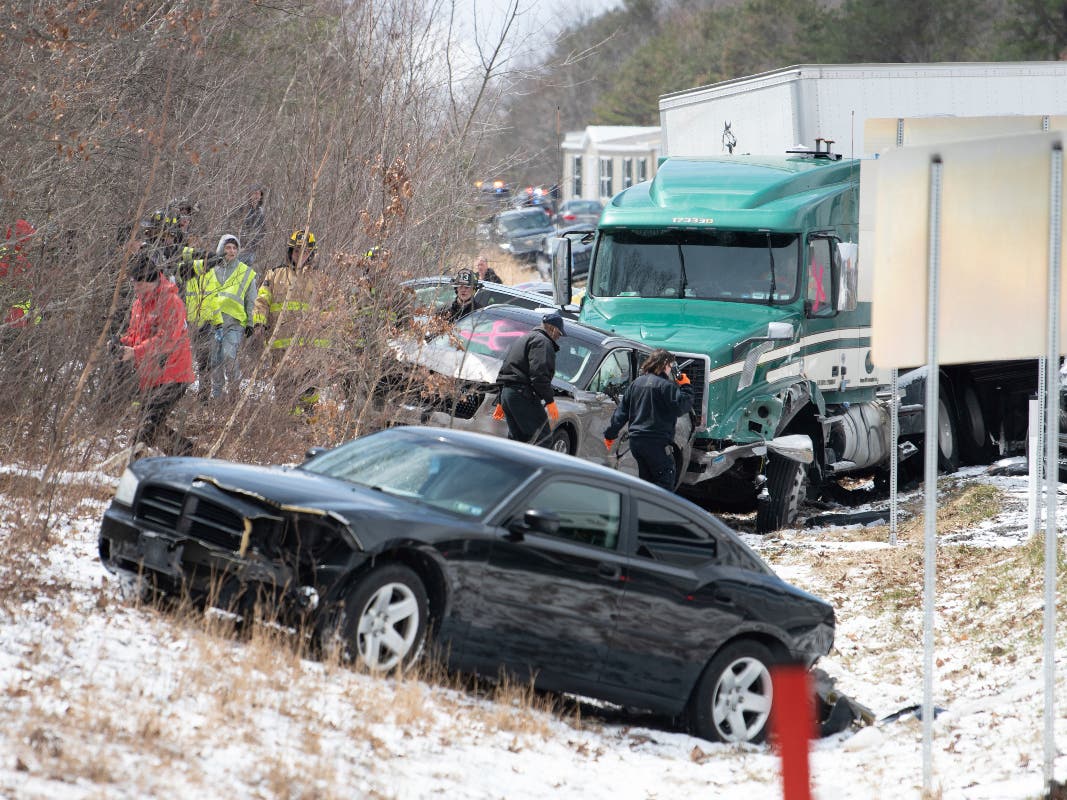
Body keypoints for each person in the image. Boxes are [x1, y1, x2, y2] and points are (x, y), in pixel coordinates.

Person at [116, 253, 195, 455]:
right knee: (150, 424)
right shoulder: (138, 305)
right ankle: (185, 451)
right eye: (134, 283)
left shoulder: (172, 302)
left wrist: (135, 352)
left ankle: (138, 469)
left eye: (139, 284)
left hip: (174, 373)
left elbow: (167, 339)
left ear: (151, 281)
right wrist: (120, 344)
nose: (135, 288)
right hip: (150, 375)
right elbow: (135, 335)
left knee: (147, 427)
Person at [252, 228, 329, 415]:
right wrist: (259, 324)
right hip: (281, 348)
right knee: (285, 393)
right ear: (290, 252)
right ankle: (287, 426)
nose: (300, 256)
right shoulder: (275, 275)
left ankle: (308, 423)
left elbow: (329, 310)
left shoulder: (321, 279)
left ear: (312, 254)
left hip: (310, 349)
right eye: (296, 251)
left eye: (306, 252)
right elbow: (262, 301)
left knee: (309, 391)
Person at [603, 348, 694, 491]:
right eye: (671, 366)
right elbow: (681, 407)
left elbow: (621, 413)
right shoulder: (666, 386)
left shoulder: (636, 383)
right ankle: (655, 512)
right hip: (656, 443)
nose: (671, 370)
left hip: (636, 443)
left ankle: (642, 510)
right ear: (665, 364)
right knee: (665, 481)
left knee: (646, 483)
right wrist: (686, 386)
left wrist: (610, 434)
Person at [493, 311, 564, 447]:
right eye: (559, 334)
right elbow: (539, 375)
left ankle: (510, 467)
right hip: (522, 395)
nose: (558, 338)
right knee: (543, 440)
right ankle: (535, 468)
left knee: (517, 441)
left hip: (509, 394)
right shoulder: (543, 342)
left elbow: (506, 370)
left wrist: (501, 400)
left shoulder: (525, 338)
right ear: (553, 328)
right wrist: (550, 401)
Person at [206, 234, 258, 401]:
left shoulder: (246, 272)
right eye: (228, 247)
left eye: (235, 248)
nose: (232, 251)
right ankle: (217, 397)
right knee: (215, 360)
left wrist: (251, 323)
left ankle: (235, 390)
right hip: (214, 323)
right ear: (221, 248)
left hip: (234, 323)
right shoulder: (212, 270)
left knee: (229, 356)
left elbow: (251, 300)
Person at [233, 183, 267, 265]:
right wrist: (240, 245)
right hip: (240, 248)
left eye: (258, 194)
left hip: (252, 250)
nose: (256, 196)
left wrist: (255, 245)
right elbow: (234, 226)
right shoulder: (242, 209)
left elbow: (263, 230)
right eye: (254, 193)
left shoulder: (260, 212)